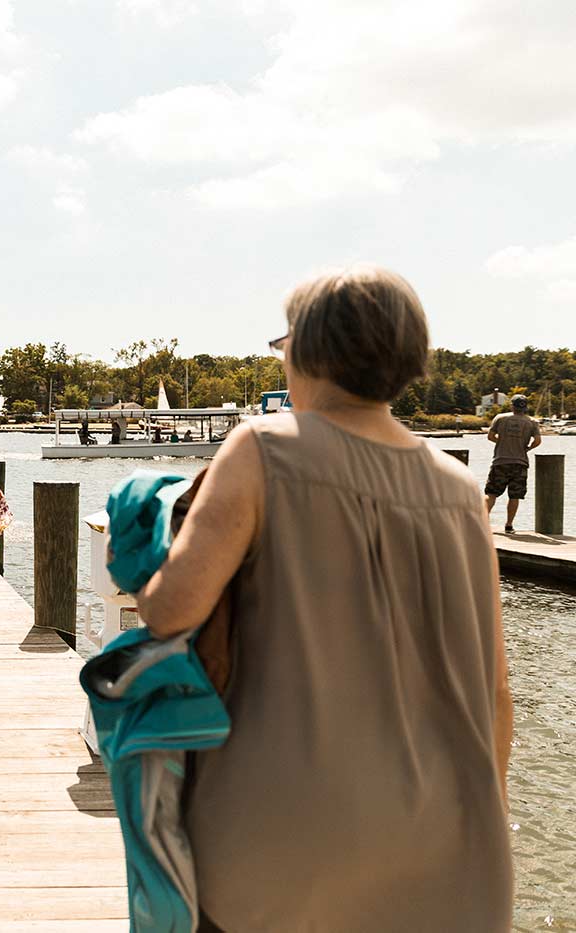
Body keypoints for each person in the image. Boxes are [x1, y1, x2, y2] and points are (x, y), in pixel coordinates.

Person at [132, 265, 511, 931]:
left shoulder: (263, 448)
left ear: (306, 350)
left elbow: (170, 610)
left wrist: (142, 550)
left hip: (283, 845)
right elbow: (496, 693)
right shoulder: (458, 490)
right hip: (443, 849)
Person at [485, 393, 542, 534]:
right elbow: (538, 441)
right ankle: (509, 525)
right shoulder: (532, 422)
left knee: (491, 493)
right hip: (520, 463)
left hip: (500, 461)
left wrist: (502, 442)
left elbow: (490, 436)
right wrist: (527, 448)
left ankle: (482, 522)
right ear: (525, 407)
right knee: (514, 496)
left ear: (512, 405)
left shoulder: (500, 418)